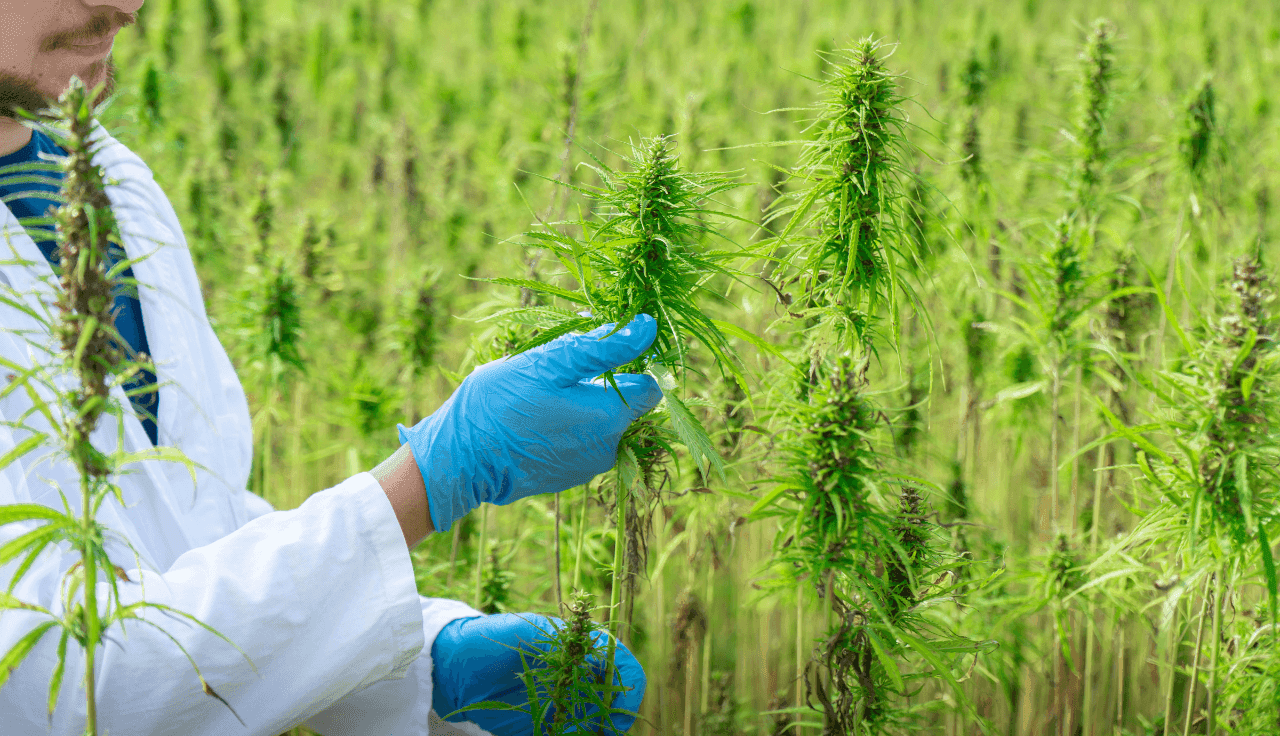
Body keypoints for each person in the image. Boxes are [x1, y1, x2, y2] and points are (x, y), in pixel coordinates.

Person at [0, 3, 661, 735]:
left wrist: (423, 658)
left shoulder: (108, 186)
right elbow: (65, 691)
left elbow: (187, 528)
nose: (124, 2)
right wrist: (427, 482)